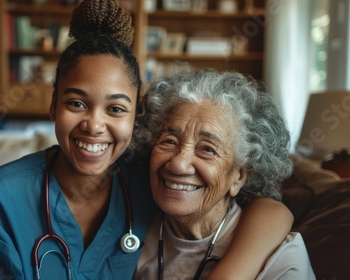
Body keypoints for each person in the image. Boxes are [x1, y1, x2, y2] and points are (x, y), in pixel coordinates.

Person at [0, 0, 293, 279]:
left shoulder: (149, 179)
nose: (95, 125)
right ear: (53, 104)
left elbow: (270, 210)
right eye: (76, 103)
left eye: (115, 109)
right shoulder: (0, 198)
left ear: (134, 118)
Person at [134, 67, 316, 280]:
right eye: (169, 141)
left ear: (239, 177)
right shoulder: (128, 233)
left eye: (207, 149)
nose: (178, 164)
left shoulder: (280, 257)